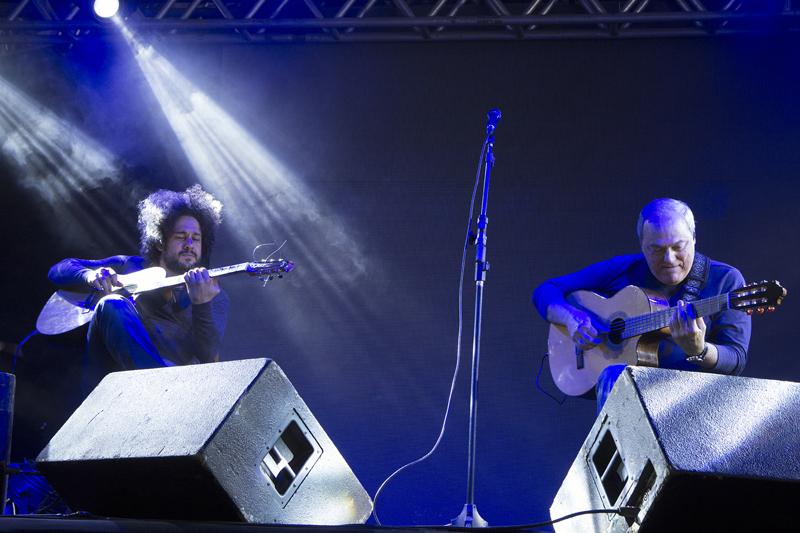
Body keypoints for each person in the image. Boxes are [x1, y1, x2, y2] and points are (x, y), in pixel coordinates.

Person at [532, 198, 751, 410]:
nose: (669, 259)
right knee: (616, 375)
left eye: (678, 246)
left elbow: (736, 359)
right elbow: (546, 291)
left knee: (618, 376)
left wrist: (700, 350)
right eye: (656, 249)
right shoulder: (624, 269)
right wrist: (571, 319)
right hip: (635, 399)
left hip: (694, 400)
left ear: (694, 238)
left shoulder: (726, 280)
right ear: (642, 246)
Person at [48, 185, 228, 389]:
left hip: (175, 387)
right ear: (160, 242)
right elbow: (58, 270)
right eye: (180, 236)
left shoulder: (214, 294)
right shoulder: (131, 266)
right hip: (111, 381)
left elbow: (208, 360)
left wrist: (201, 305)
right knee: (111, 303)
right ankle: (159, 388)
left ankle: (161, 388)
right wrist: (90, 276)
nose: (189, 244)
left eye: (196, 238)